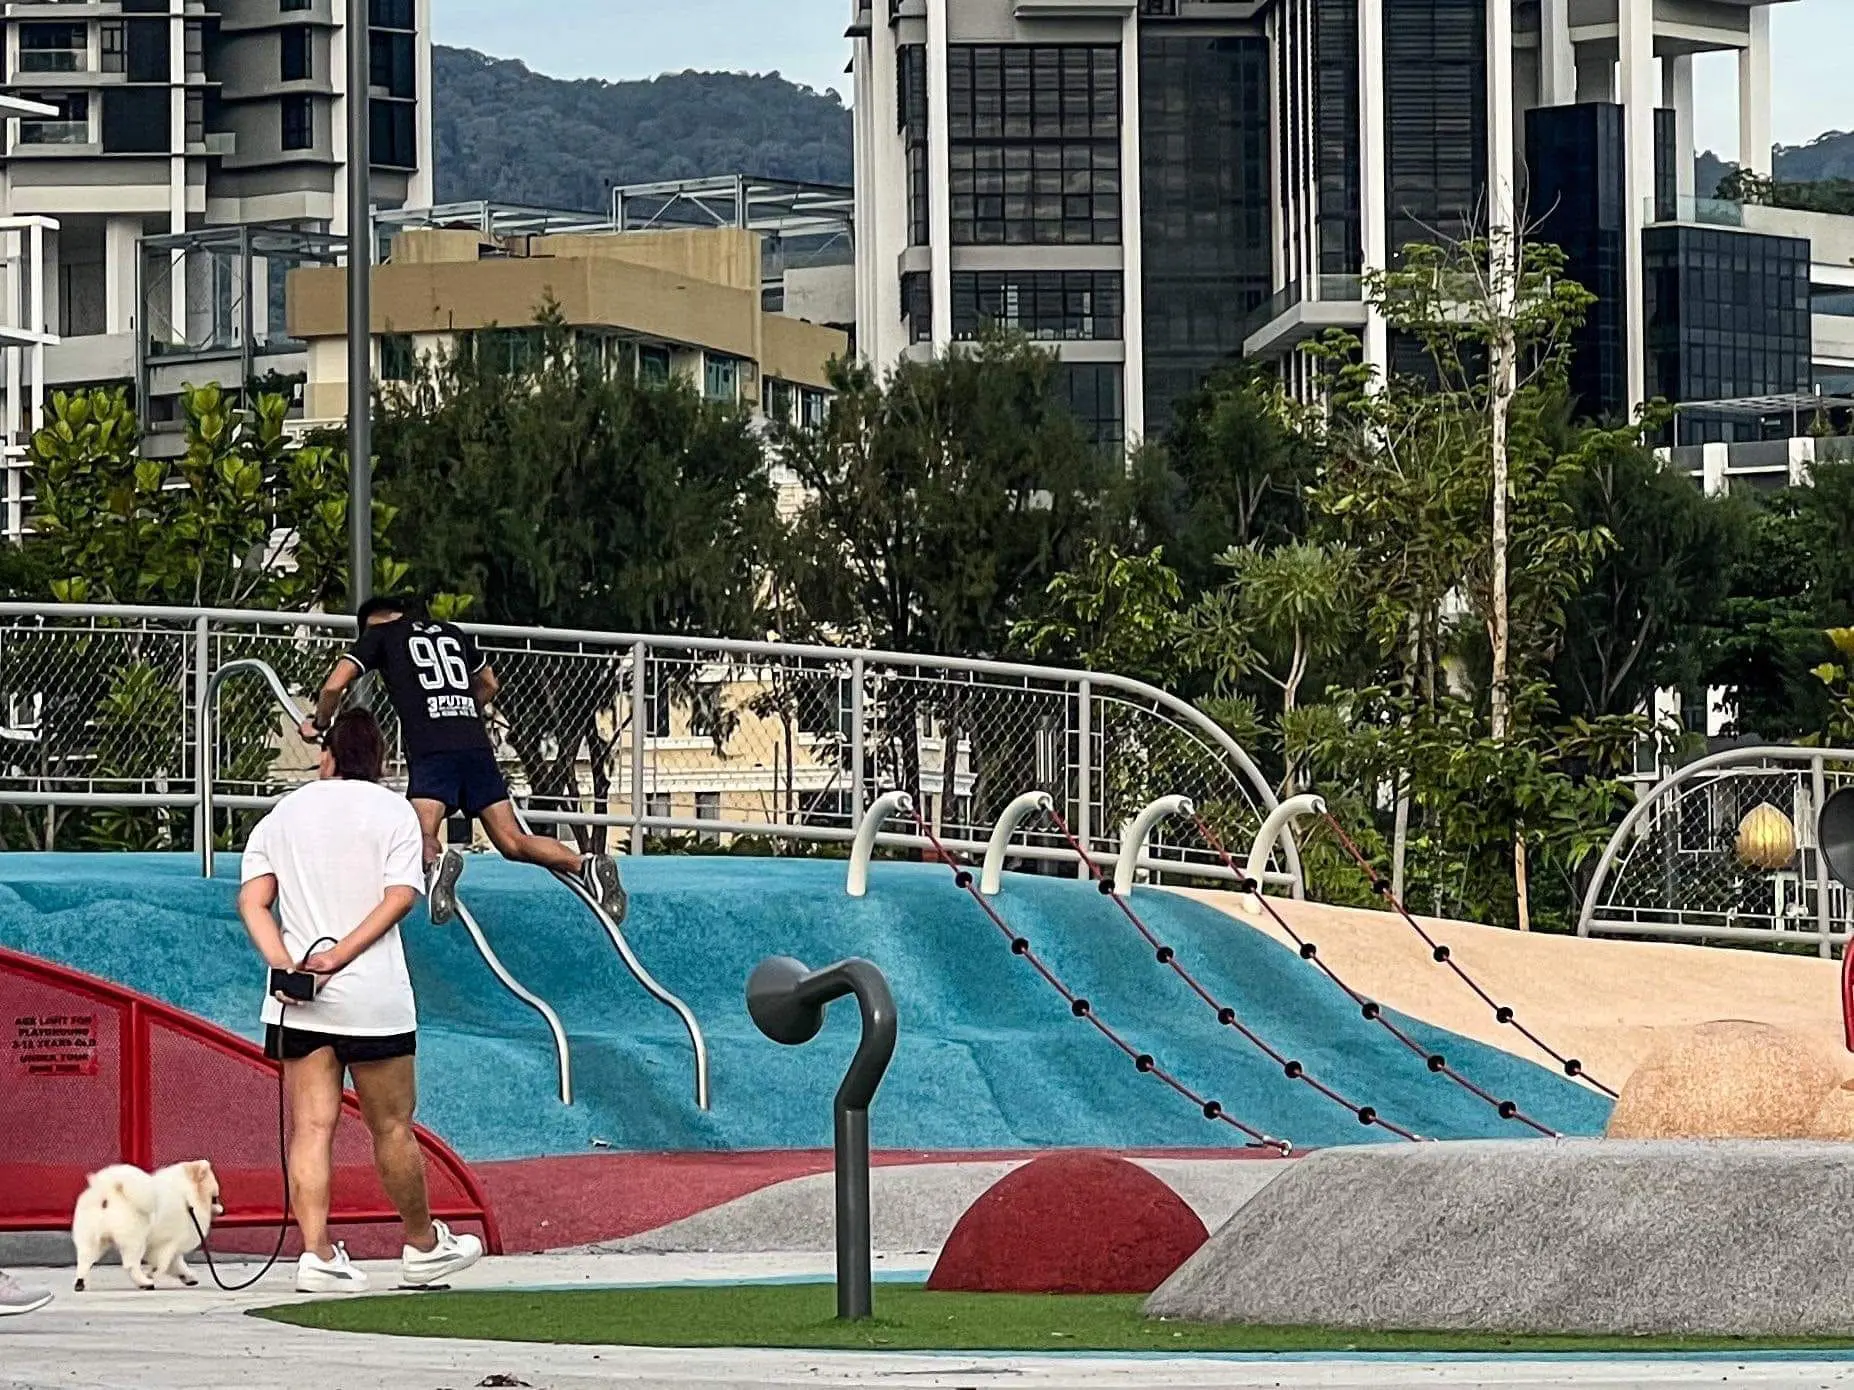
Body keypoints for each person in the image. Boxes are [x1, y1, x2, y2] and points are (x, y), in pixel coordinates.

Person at [239, 709, 484, 1294]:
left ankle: (317, 1254)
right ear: (379, 762)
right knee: (393, 1125)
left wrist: (286, 963)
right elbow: (401, 897)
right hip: (374, 998)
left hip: (298, 1002)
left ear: (327, 755)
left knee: (310, 1128)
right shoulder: (394, 812)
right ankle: (423, 1245)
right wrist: (340, 957)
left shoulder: (283, 814)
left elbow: (252, 902)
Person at [299, 595, 624, 927]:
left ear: (373, 623)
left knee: (420, 833)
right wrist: (462, 709)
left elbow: (333, 686)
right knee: (512, 840)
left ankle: (437, 862)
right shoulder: (451, 632)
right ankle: (585, 864)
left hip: (432, 748)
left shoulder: (380, 635)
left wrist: (320, 723)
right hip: (475, 746)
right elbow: (490, 684)